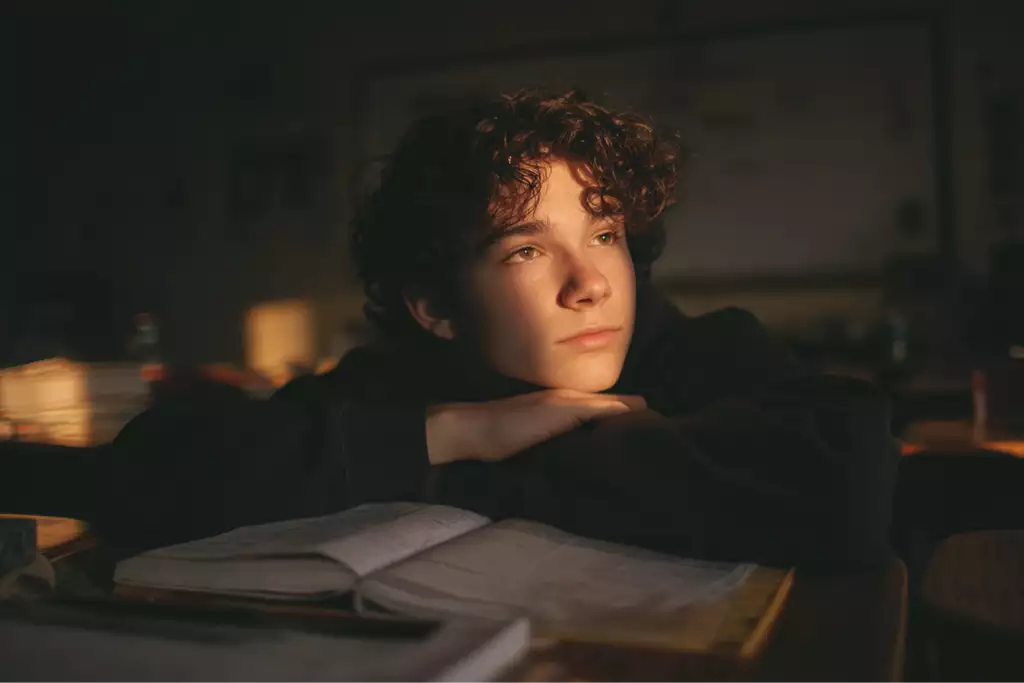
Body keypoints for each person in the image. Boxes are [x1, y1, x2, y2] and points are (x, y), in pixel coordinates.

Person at [97, 90, 898, 571]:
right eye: (526, 249)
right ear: (434, 307)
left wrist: (478, 473)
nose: (589, 284)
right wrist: (465, 431)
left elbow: (850, 480)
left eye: (604, 234)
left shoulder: (693, 347)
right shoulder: (404, 383)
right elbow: (147, 474)